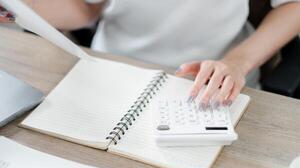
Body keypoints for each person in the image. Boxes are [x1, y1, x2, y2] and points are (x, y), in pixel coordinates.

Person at [1, 0, 300, 107]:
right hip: (113, 74)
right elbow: (86, 10)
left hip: (215, 84)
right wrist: (24, 7)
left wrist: (238, 61)